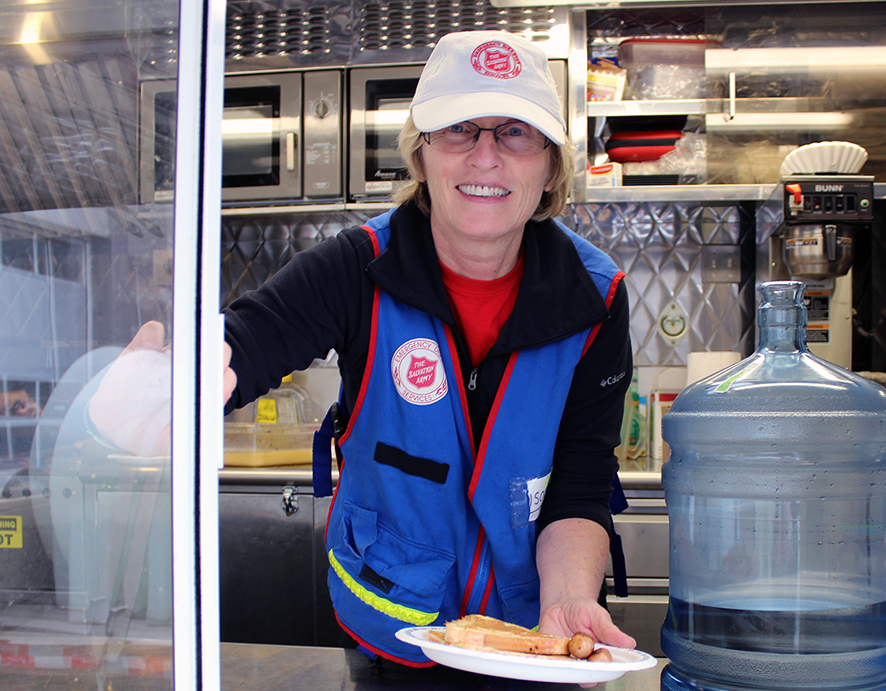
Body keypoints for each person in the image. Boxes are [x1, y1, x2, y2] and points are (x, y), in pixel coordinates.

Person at [98, 29, 636, 666]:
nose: (485, 156)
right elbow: (246, 341)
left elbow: (580, 481)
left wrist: (567, 601)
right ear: (421, 155)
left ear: (550, 167)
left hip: (531, 641)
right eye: (459, 128)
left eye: (515, 132)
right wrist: (162, 390)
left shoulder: (594, 297)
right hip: (391, 629)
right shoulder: (357, 268)